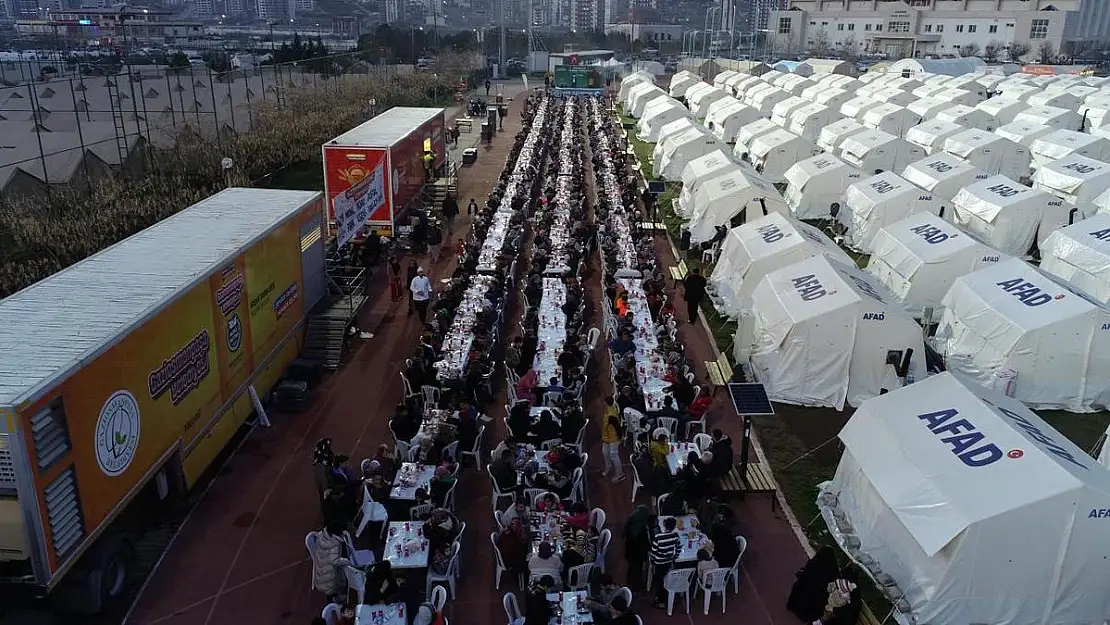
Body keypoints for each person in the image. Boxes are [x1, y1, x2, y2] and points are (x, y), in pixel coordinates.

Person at [787, 546, 841, 624]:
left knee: (800, 587)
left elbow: (805, 575)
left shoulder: (814, 563)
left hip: (805, 594)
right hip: (818, 600)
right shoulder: (833, 570)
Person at [310, 524, 349, 601]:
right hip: (329, 582)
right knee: (345, 574)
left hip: (319, 575)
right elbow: (336, 561)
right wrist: (347, 561)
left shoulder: (321, 536)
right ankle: (339, 598)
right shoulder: (335, 544)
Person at [650, 516, 680, 608]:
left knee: (658, 581)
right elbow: (678, 548)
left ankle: (661, 600)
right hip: (668, 562)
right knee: (662, 578)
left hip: (659, 563)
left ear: (664, 525)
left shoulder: (658, 537)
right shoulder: (675, 536)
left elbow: (653, 552)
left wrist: (653, 561)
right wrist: (674, 557)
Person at [623, 505, 652, 589]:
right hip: (637, 554)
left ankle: (630, 582)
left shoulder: (631, 523)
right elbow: (645, 544)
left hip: (630, 552)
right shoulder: (640, 530)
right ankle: (636, 586)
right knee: (637, 570)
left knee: (632, 568)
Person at [600, 397, 627, 482]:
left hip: (614, 437)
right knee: (605, 452)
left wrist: (620, 438)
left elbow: (618, 427)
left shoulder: (611, 414)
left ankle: (620, 474)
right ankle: (608, 467)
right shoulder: (609, 408)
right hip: (606, 436)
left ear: (606, 403)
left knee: (614, 455)